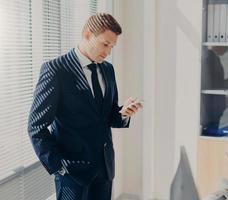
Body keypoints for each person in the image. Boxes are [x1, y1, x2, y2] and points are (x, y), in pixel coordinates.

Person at [28, 13, 142, 200]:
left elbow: (107, 115)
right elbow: (36, 126)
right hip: (72, 174)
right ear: (88, 35)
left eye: (112, 46)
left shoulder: (108, 69)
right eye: (105, 44)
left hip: (104, 170)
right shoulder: (56, 70)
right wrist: (59, 167)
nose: (108, 52)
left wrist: (124, 113)